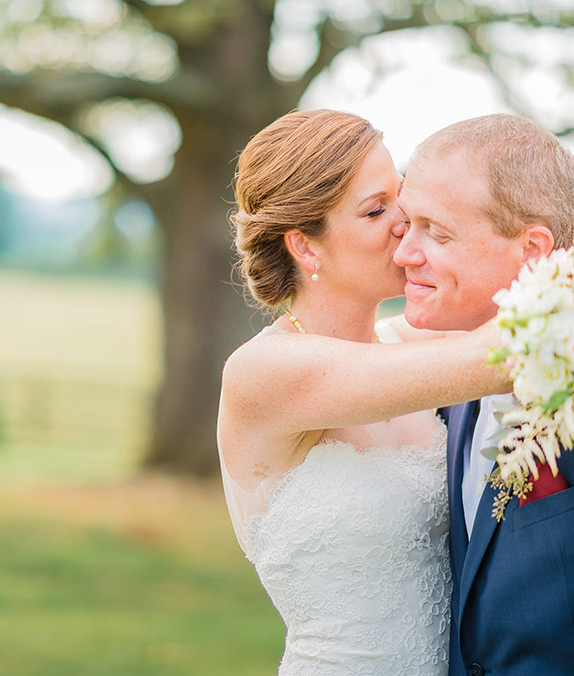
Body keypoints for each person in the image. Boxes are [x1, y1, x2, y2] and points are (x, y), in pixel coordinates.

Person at [217, 109, 510, 676]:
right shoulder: (264, 372)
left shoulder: (408, 347)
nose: (406, 221)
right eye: (376, 210)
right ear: (305, 247)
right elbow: (502, 352)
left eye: (400, 195)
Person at [394, 113, 574, 676]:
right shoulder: (448, 384)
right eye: (406, 225)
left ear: (533, 250)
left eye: (437, 232)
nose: (405, 253)